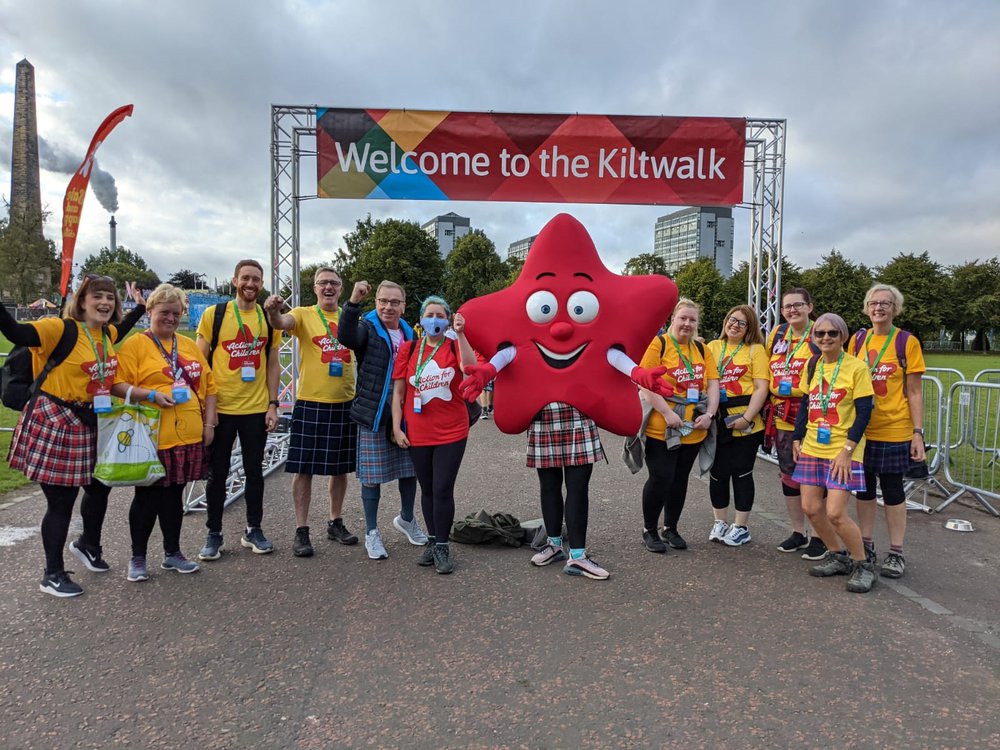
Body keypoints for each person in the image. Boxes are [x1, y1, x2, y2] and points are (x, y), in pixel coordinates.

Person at [3, 275, 146, 597]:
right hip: (56, 419)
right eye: (98, 296)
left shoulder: (106, 334)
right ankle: (51, 573)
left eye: (110, 297)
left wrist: (139, 307)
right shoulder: (59, 328)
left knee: (99, 486)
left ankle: (87, 544)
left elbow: (120, 330)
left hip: (90, 419)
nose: (105, 302)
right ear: (82, 300)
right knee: (61, 502)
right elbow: (15, 332)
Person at [112, 284, 217, 582]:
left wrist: (209, 425)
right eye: (164, 313)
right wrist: (149, 395)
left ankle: (173, 553)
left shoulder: (186, 345)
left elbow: (210, 389)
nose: (170, 318)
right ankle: (138, 557)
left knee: (174, 496)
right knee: (146, 496)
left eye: (176, 313)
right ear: (150, 312)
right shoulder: (136, 345)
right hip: (151, 435)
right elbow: (116, 385)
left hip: (188, 435)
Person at [263, 267, 359, 557]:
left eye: (333, 283)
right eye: (323, 283)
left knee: (339, 468)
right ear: (315, 288)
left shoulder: (350, 317)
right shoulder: (303, 314)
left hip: (345, 401)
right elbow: (281, 322)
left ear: (341, 289)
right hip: (310, 401)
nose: (328, 287)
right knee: (303, 468)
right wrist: (272, 311)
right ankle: (301, 530)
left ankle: (335, 521)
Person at [196, 259, 281, 560]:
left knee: (254, 472)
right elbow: (199, 361)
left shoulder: (267, 318)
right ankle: (214, 532)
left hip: (256, 409)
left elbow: (273, 363)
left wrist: (273, 404)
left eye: (256, 279)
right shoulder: (215, 314)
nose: (251, 284)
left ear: (261, 283)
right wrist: (207, 408)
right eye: (245, 278)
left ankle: (253, 529)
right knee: (216, 474)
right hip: (221, 409)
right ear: (235, 281)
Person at [338, 279, 428, 559]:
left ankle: (406, 519)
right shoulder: (366, 326)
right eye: (383, 301)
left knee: (409, 470)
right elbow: (346, 337)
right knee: (372, 476)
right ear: (376, 302)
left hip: (404, 410)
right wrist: (352, 303)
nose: (388, 307)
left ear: (404, 306)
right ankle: (372, 532)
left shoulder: (408, 333)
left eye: (394, 302)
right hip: (375, 410)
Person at [791, 312, 877, 593]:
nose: (825, 338)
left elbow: (864, 411)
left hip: (844, 449)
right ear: (814, 338)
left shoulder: (856, 367)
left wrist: (847, 451)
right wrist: (797, 436)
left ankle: (863, 564)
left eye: (832, 333)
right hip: (813, 446)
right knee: (811, 508)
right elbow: (806, 402)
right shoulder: (814, 364)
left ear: (843, 336)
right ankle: (837, 555)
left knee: (836, 512)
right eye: (820, 334)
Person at [390, 296, 476, 573]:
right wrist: (395, 427)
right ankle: (431, 539)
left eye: (440, 315)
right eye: (430, 314)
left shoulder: (453, 345)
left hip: (452, 430)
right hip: (418, 431)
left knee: (441, 488)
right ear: (421, 319)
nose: (435, 320)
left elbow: (470, 368)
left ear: (448, 319)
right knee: (426, 489)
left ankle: (442, 546)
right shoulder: (409, 348)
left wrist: (461, 334)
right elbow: (399, 393)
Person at [848, 284, 926, 578]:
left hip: (895, 428)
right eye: (874, 303)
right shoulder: (857, 340)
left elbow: (915, 391)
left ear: (895, 308)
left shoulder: (907, 342)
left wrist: (917, 432)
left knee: (893, 490)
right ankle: (866, 545)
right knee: (864, 490)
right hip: (862, 430)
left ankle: (896, 551)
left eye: (886, 303)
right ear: (866, 308)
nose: (879, 308)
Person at [638, 298, 720, 553]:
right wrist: (666, 412)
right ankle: (649, 529)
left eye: (692, 319)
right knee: (661, 476)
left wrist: (710, 414)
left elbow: (714, 382)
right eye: (682, 318)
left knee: (680, 479)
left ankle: (671, 528)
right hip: (662, 426)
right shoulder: (659, 344)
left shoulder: (702, 349)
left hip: (693, 427)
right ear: (672, 319)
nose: (687, 323)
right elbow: (645, 383)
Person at [766, 287, 823, 559]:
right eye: (787, 306)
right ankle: (798, 532)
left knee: (814, 479)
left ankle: (819, 536)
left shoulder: (821, 333)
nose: (792, 310)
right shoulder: (777, 335)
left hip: (812, 416)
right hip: (782, 416)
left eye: (798, 305)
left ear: (810, 307)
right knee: (789, 477)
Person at [705, 305, 769, 546]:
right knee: (717, 473)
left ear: (749, 328)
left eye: (742, 323)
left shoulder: (755, 350)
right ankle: (720, 522)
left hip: (745, 421)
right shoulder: (712, 347)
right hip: (717, 420)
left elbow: (762, 387)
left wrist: (747, 418)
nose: (734, 325)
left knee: (741, 473)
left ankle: (741, 526)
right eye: (732, 319)